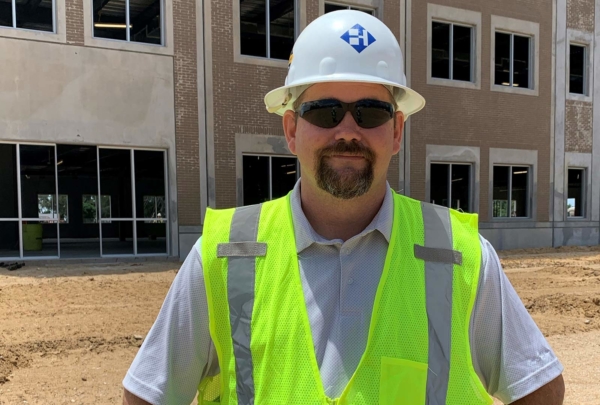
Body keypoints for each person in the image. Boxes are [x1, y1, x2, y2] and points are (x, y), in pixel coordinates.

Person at [123, 10, 565, 405]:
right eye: (326, 111)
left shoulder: (459, 256)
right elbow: (149, 395)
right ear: (292, 129)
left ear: (396, 131)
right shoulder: (223, 255)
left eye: (371, 112)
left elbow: (539, 387)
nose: (348, 131)